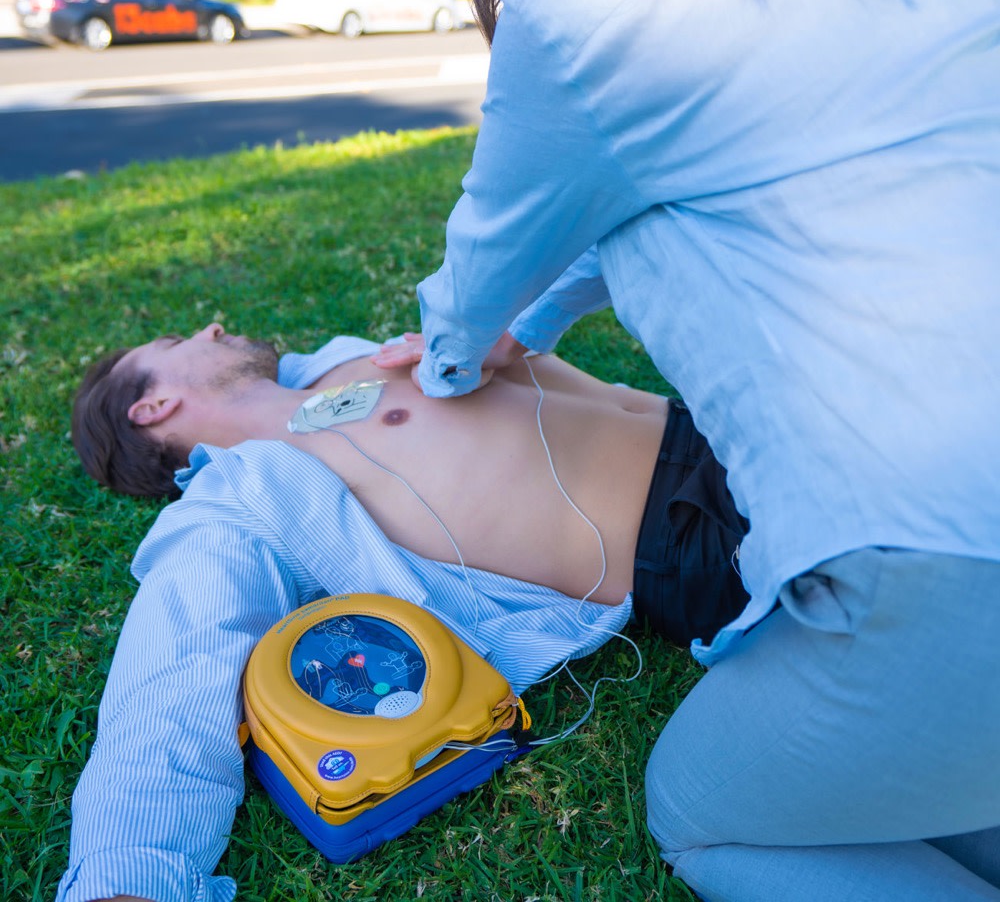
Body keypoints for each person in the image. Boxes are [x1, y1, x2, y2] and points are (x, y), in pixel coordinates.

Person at [402, 0, 1000, 899]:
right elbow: (700, 178)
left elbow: (492, 248)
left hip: (933, 541)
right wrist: (527, 328)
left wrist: (445, 362)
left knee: (699, 812)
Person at [57, 322, 748, 902]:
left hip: (726, 418)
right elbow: (174, 670)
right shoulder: (241, 498)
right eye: (174, 342)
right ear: (153, 406)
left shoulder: (337, 364)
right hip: (696, 532)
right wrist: (129, 877)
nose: (210, 328)